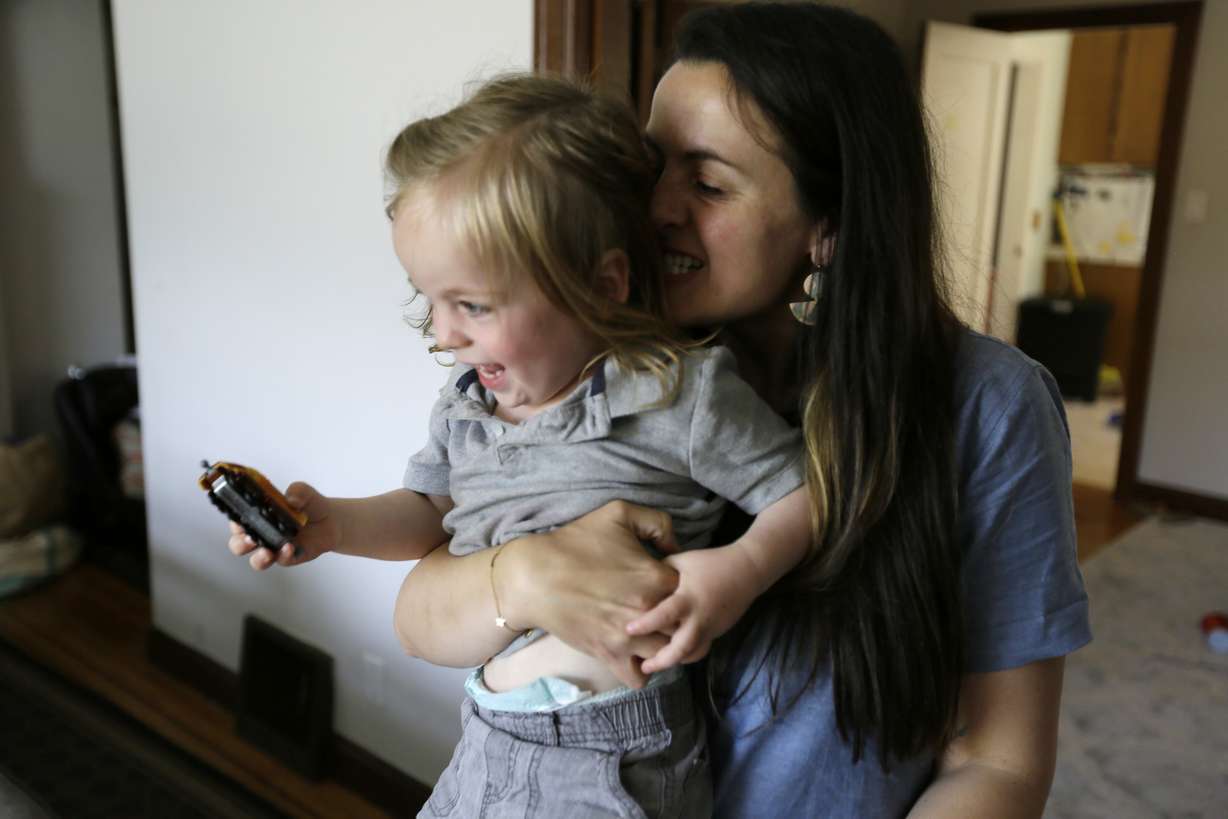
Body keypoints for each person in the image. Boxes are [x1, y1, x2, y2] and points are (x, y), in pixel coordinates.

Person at [380, 4, 1092, 818]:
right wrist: (529, 575)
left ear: (828, 227)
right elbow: (417, 617)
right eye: (655, 170)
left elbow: (998, 761)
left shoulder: (987, 406)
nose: (656, 211)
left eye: (708, 182)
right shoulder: (596, 361)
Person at [231, 72, 817, 817]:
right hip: (489, 732)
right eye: (431, 300)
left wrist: (738, 571)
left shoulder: (676, 394)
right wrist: (331, 524)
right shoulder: (471, 406)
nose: (445, 334)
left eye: (472, 305)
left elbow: (807, 490)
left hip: (610, 756)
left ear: (602, 285)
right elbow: (425, 510)